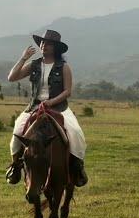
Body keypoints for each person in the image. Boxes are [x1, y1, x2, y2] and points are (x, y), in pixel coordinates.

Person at [6, 29, 88, 187]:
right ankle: (15, 167)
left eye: (48, 43)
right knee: (17, 132)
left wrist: (51, 102)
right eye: (42, 42)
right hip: (34, 107)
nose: (44, 45)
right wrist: (23, 58)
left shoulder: (63, 67)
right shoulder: (34, 65)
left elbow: (67, 91)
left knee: (76, 132)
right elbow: (12, 77)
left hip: (59, 107)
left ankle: (78, 168)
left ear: (55, 47)